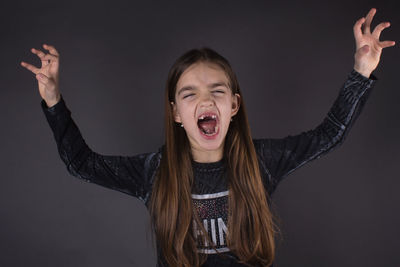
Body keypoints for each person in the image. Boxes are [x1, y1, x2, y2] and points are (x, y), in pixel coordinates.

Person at [21, 7, 395, 267]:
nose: (205, 98)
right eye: (189, 94)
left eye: (217, 90)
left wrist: (361, 71)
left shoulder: (260, 161)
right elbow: (82, 164)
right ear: (176, 114)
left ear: (233, 106)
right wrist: (53, 100)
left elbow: (328, 135)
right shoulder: (155, 171)